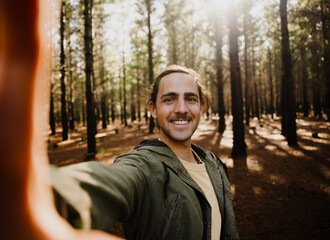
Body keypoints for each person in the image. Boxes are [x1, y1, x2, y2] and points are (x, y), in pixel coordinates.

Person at [51, 65, 239, 240]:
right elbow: (110, 181)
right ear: (153, 109)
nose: (181, 109)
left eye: (190, 99)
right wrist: (49, 191)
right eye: (169, 99)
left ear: (201, 106)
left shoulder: (214, 165)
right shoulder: (144, 168)